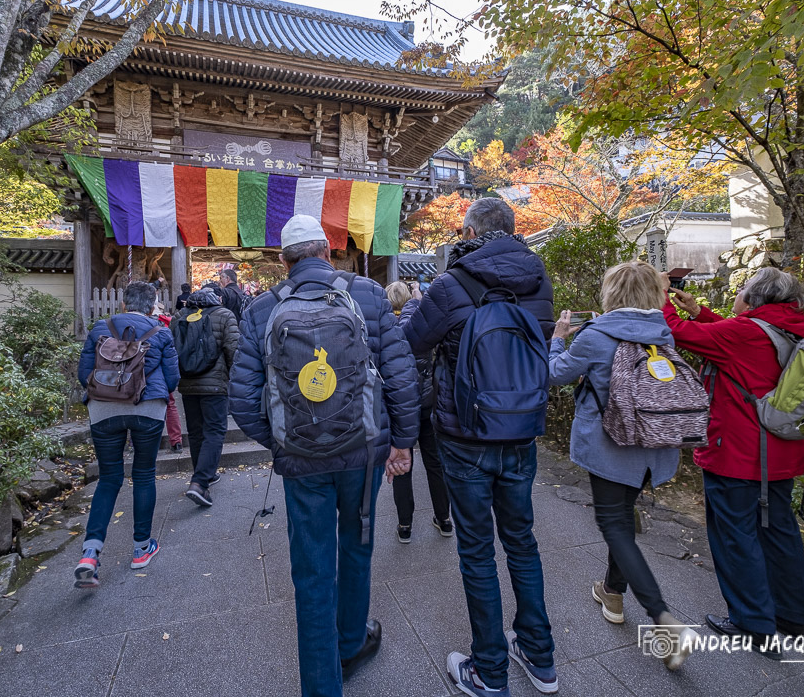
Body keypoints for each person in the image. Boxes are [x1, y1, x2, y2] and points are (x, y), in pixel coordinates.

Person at [230, 214, 419, 697]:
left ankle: (321, 684)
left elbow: (242, 399)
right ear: (329, 250)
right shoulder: (369, 294)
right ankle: (351, 643)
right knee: (357, 546)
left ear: (283, 260)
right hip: (362, 453)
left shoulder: (260, 310)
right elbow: (399, 374)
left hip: (301, 463)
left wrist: (281, 443)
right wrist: (401, 442)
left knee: (312, 569)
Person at [404, 197, 558, 696]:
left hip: (465, 432)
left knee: (477, 551)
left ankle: (489, 670)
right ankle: (539, 655)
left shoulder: (453, 283)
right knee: (523, 542)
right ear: (514, 232)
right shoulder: (539, 279)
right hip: (521, 429)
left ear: (469, 231)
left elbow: (413, 342)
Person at [665, 266, 804, 659]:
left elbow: (678, 333)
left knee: (736, 535)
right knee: (780, 533)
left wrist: (659, 305)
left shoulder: (741, 334)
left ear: (754, 299)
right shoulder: (802, 328)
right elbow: (747, 344)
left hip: (738, 453)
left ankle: (753, 624)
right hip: (783, 451)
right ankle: (793, 619)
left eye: (741, 291)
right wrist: (700, 312)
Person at [548, 261, 695, 670]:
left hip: (611, 445)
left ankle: (663, 617)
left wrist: (559, 338)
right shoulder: (662, 333)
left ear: (611, 293)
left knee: (614, 524)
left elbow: (556, 374)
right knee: (622, 520)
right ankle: (612, 591)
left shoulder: (596, 335)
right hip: (653, 445)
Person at [74, 281, 179, 588]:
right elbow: (172, 379)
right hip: (147, 408)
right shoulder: (161, 332)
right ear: (152, 306)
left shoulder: (99, 328)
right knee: (144, 474)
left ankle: (90, 554)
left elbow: (84, 374)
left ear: (122, 305)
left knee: (109, 478)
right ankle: (141, 548)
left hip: (104, 409)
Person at [384, 281, 452, 543]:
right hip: (427, 403)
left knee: (401, 464)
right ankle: (444, 518)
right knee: (435, 463)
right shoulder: (422, 324)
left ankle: (405, 525)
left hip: (399, 407)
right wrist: (418, 298)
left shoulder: (385, 326)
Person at [176, 286, 239, 507]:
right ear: (217, 299)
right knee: (215, 430)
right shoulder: (224, 315)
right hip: (214, 385)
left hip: (187, 384)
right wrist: (234, 379)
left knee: (195, 431)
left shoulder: (180, 316)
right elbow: (233, 349)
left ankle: (204, 474)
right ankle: (200, 482)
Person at [154, 307, 184, 452]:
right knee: (170, 405)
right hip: (162, 374)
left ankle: (140, 442)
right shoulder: (164, 326)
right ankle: (176, 441)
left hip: (142, 374)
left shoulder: (136, 326)